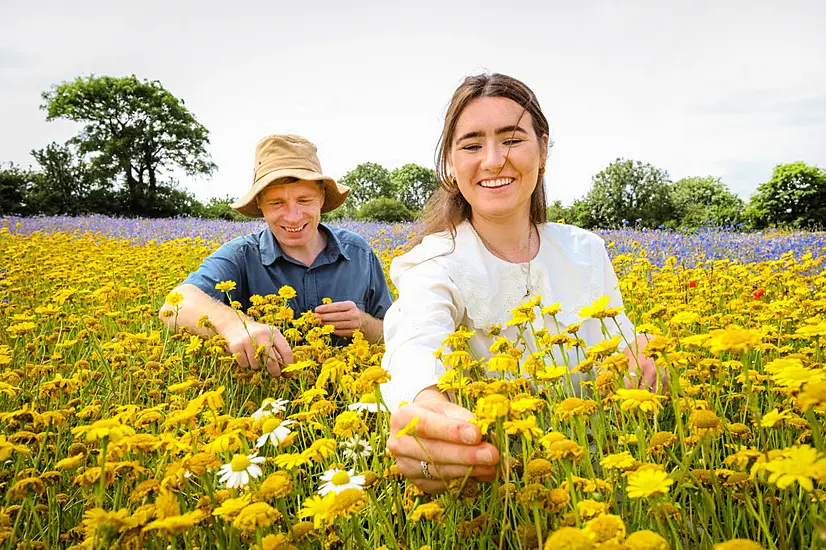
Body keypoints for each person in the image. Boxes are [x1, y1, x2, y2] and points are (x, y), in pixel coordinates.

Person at [380, 73, 658, 493]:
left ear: (543, 149)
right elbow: (413, 343)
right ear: (451, 166)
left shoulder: (586, 250)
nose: (492, 160)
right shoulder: (431, 263)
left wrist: (642, 356)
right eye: (471, 145)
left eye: (511, 139)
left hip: (603, 477)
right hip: (499, 493)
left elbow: (621, 345)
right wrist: (427, 405)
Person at [160, 134, 392, 377]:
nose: (292, 216)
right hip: (265, 402)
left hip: (351, 400)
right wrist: (236, 325)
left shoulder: (358, 253)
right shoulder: (241, 255)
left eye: (304, 200)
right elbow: (175, 303)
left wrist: (364, 324)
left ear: (322, 198)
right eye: (276, 203)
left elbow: (395, 333)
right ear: (259, 204)